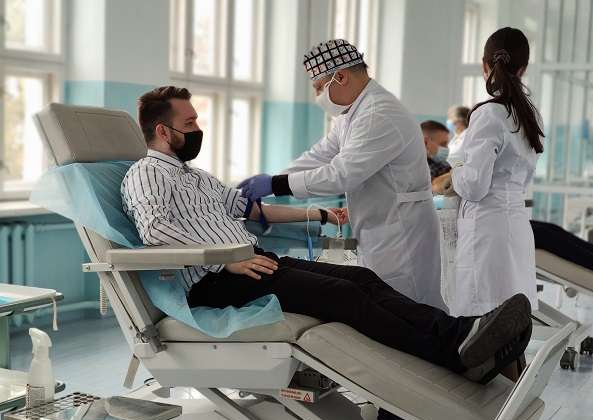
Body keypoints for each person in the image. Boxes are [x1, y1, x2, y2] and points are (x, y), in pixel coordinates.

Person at [121, 85, 532, 386]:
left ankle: (461, 333)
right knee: (344, 295)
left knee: (362, 278)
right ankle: (456, 354)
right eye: (189, 123)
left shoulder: (196, 176)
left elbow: (250, 209)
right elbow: (155, 230)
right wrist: (226, 260)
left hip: (253, 264)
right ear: (163, 131)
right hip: (213, 282)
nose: (197, 128)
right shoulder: (145, 173)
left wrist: (318, 213)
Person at [237, 39, 446, 312]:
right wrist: (277, 177)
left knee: (411, 308)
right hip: (381, 227)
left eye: (318, 87)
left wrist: (276, 185)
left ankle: (450, 340)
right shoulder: (352, 114)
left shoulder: (378, 113)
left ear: (341, 77)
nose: (317, 96)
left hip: (401, 231)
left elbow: (341, 174)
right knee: (389, 307)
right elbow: (321, 154)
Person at [449, 28, 544, 317]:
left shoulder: (488, 113)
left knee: (483, 319)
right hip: (517, 224)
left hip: (488, 229)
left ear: (484, 65)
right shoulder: (531, 115)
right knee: (512, 316)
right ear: (523, 69)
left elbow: (474, 186)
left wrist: (455, 169)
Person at [420, 120, 452, 194]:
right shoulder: (417, 169)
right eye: (443, 144)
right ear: (425, 142)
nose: (446, 148)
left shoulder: (440, 164)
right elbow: (433, 187)